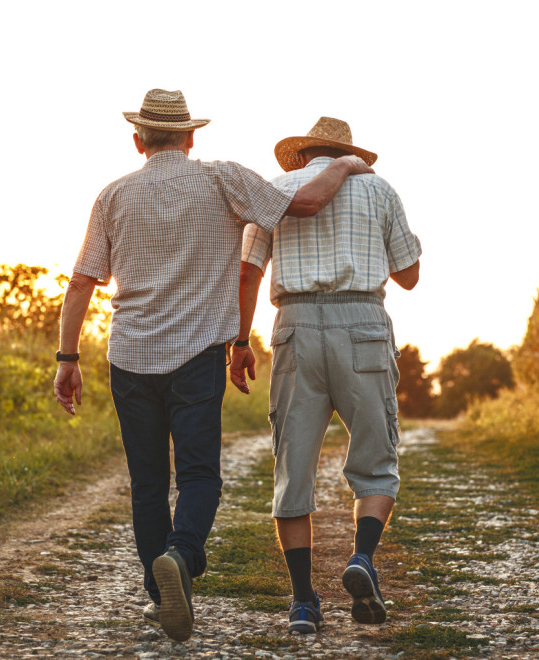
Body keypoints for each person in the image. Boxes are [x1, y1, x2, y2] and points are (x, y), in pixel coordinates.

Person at [53, 91, 373, 642]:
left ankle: (164, 596)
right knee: (199, 473)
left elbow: (82, 280)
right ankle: (181, 554)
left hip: (130, 356)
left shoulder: (113, 195)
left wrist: (67, 357)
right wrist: (345, 162)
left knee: (147, 482)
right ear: (191, 136)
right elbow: (305, 203)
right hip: (198, 354)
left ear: (138, 140)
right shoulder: (223, 178)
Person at [230, 117, 421, 634]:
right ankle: (361, 559)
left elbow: (248, 270)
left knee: (293, 466)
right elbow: (409, 276)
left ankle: (302, 604)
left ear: (301, 156)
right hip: (361, 322)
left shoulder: (274, 192)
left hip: (293, 325)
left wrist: (239, 341)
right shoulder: (378, 189)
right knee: (376, 460)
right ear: (347, 153)